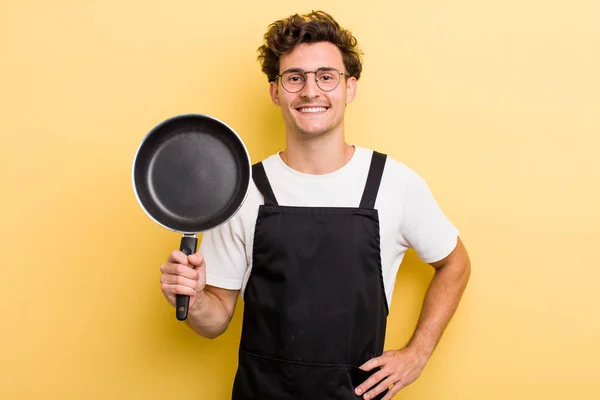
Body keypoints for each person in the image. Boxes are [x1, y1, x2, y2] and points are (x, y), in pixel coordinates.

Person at [159, 10, 471, 400]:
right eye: (294, 78)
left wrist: (417, 354)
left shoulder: (394, 182)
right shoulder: (243, 191)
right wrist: (192, 295)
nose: (310, 92)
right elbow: (215, 319)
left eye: (326, 76)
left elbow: (455, 263)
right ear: (275, 91)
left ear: (350, 87)